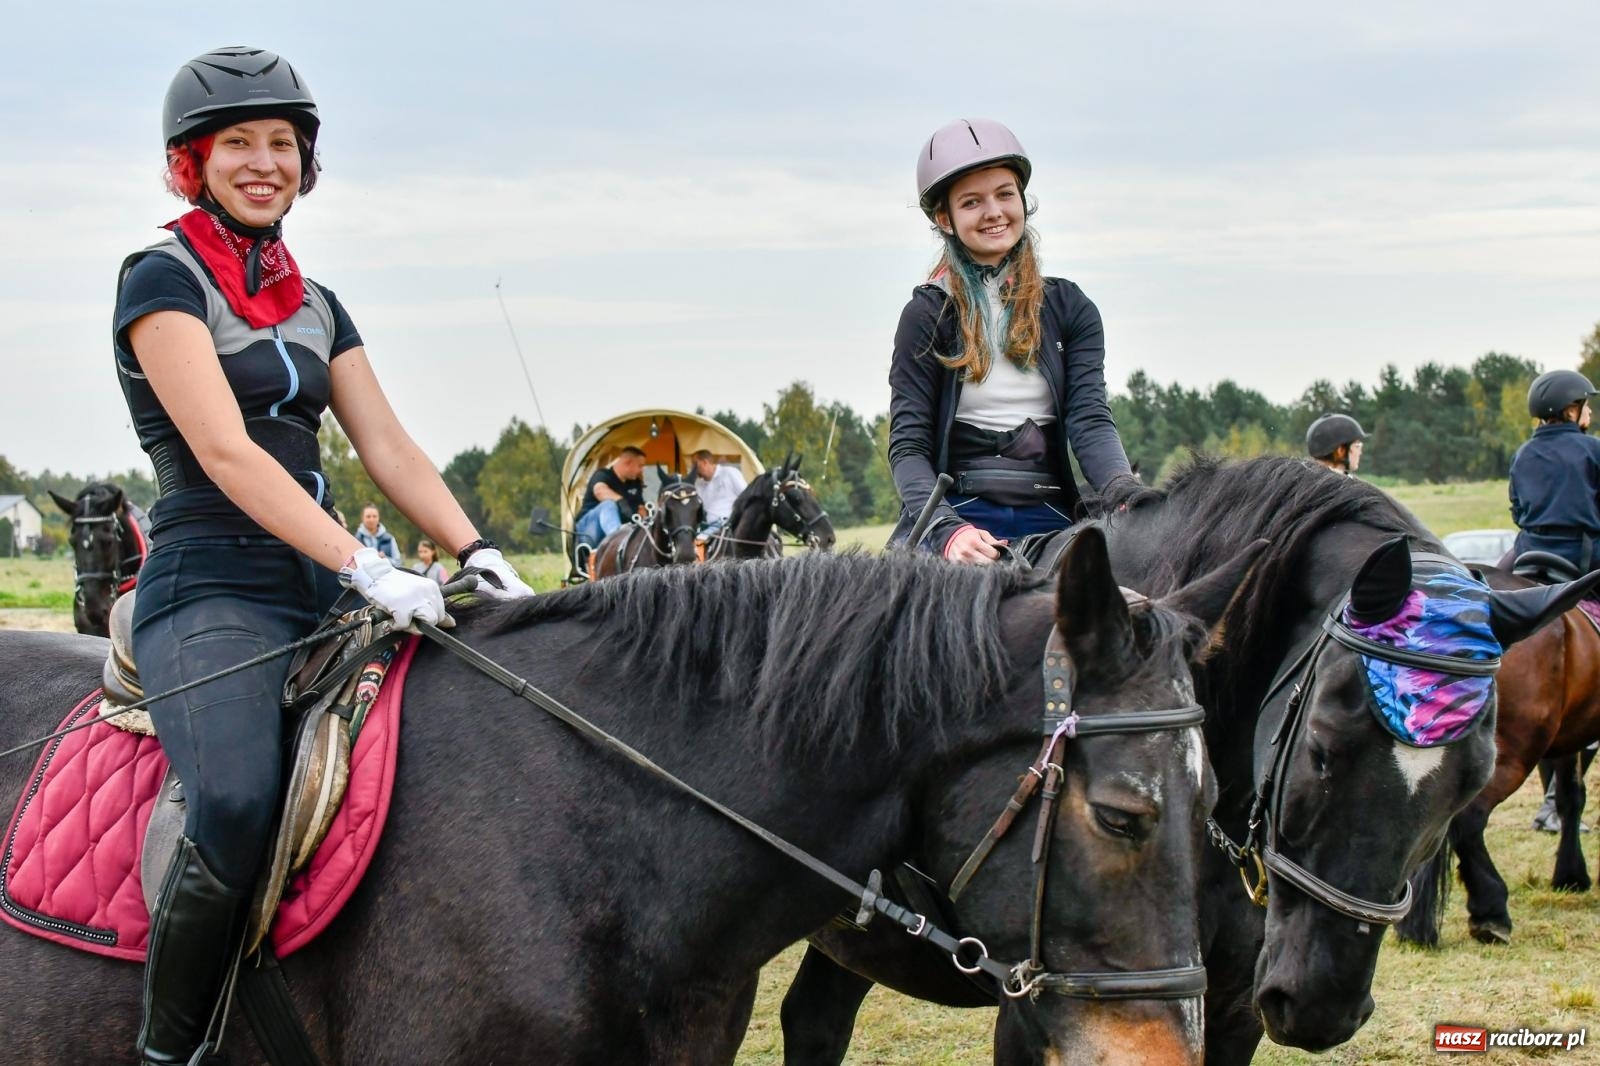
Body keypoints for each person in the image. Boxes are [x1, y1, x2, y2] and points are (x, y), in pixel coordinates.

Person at [114, 47, 535, 1065]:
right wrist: (367, 564)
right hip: (211, 585)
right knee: (236, 800)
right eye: (240, 144)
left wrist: (475, 549)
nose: (265, 162)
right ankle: (168, 1050)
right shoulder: (159, 277)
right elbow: (222, 450)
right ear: (193, 161)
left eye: (283, 145)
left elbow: (385, 446)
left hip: (322, 583)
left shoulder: (319, 300)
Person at [888, 118, 1134, 562]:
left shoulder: (1070, 308)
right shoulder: (926, 315)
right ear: (945, 219)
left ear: (1023, 200)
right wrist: (947, 531)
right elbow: (909, 447)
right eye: (972, 202)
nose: (994, 212)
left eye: (1005, 194)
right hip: (959, 514)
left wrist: (1124, 493)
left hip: (1050, 510)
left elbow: (1091, 421)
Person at [1509, 369, 1600, 574]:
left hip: (1529, 552)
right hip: (1585, 556)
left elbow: (1517, 512)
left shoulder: (1522, 453)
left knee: (1490, 583)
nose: (1590, 412)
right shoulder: (1594, 449)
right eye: (1586, 405)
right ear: (1570, 411)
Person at [575, 446, 647, 548]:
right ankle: (618, 543)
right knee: (608, 504)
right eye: (640, 466)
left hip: (618, 533)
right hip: (587, 531)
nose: (641, 470)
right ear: (627, 462)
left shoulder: (635, 483)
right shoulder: (602, 475)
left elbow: (641, 510)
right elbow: (599, 491)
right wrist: (620, 501)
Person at [691, 448, 747, 542]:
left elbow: (746, 496)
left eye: (695, 464)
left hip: (725, 524)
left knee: (698, 541)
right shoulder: (698, 484)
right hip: (704, 525)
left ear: (705, 462)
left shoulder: (729, 473)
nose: (693, 469)